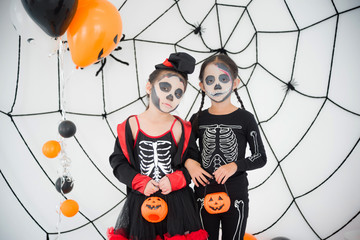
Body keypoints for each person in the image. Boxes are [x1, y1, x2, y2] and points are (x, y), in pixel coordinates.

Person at [107, 52, 208, 240]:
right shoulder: (130, 126)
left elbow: (193, 162)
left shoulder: (182, 128)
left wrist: (178, 179)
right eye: (165, 87)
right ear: (148, 87)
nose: (171, 96)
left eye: (179, 93)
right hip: (142, 203)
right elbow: (118, 162)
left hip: (179, 205)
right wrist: (139, 181)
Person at [184, 54, 267, 240]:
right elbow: (185, 151)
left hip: (236, 193)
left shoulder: (246, 118)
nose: (217, 85)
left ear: (235, 83)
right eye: (210, 80)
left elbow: (260, 157)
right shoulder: (197, 119)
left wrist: (235, 165)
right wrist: (190, 164)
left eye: (223, 79)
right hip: (203, 193)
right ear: (202, 87)